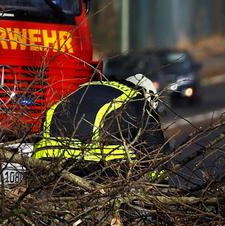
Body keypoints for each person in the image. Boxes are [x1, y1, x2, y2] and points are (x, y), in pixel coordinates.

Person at [33, 73, 167, 177]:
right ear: (148, 94)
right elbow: (154, 150)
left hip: (48, 159)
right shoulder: (138, 100)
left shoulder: (88, 87)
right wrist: (158, 183)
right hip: (97, 168)